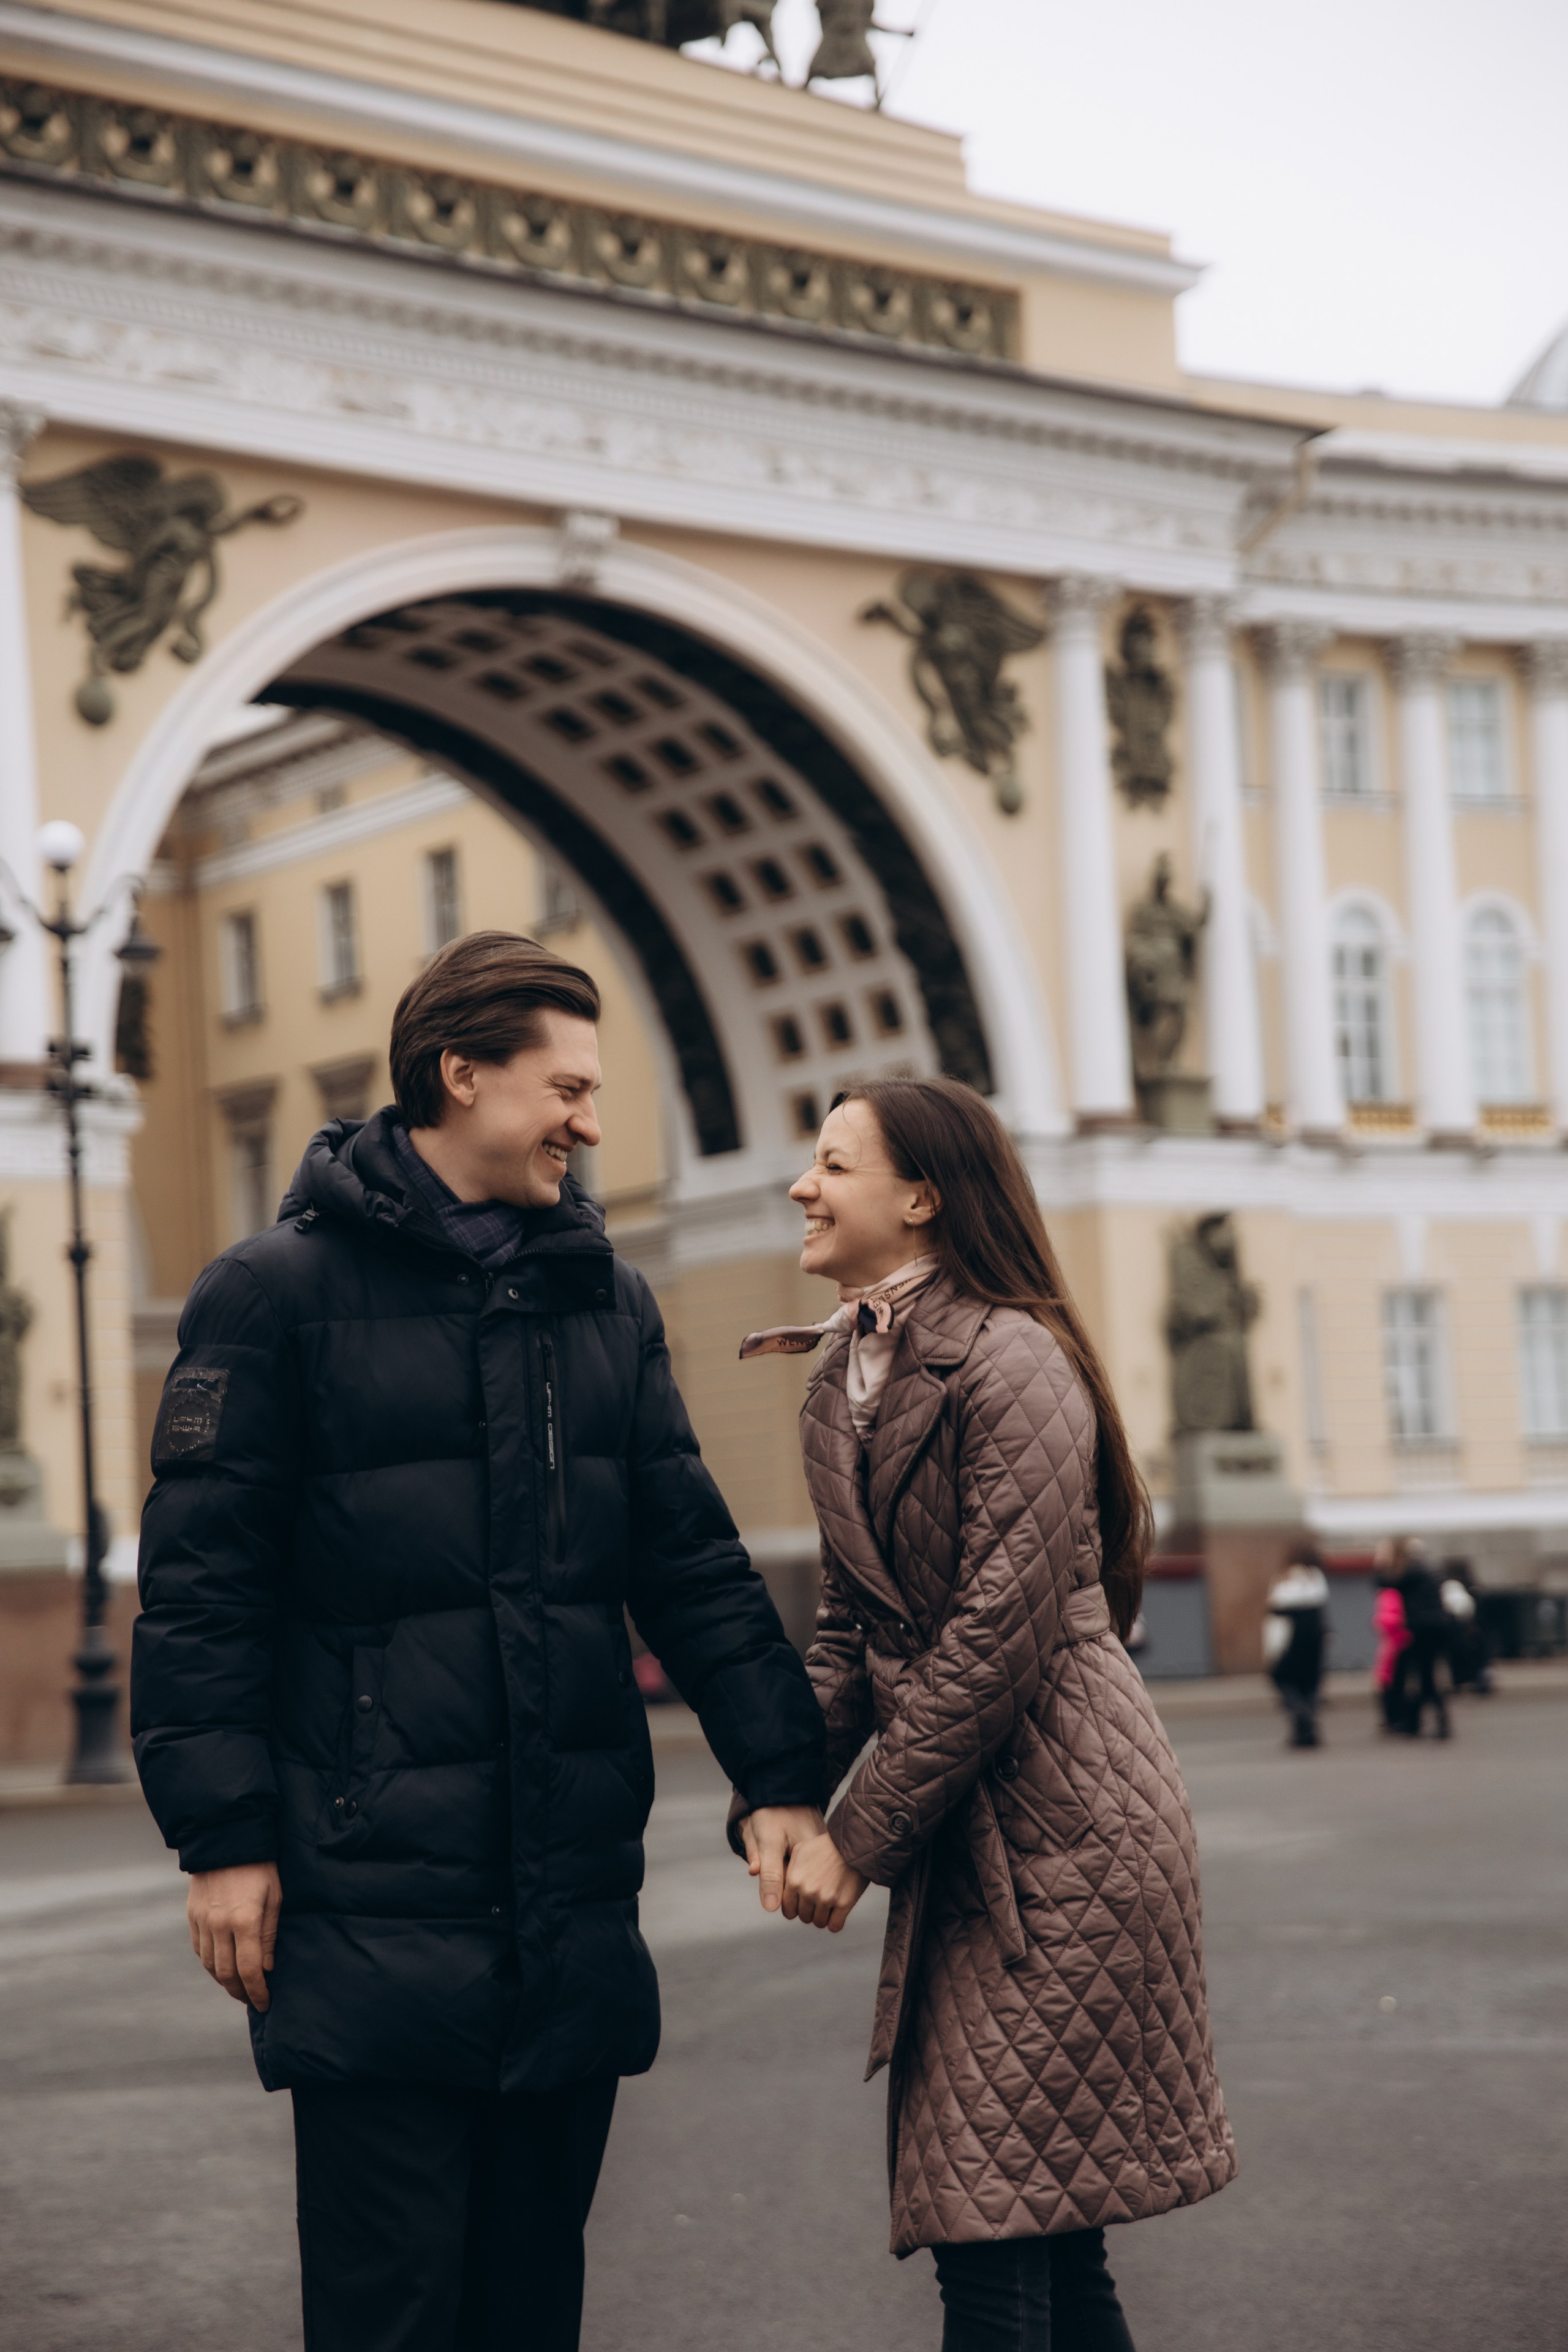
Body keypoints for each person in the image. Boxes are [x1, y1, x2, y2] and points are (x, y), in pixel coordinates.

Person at [131, 930, 827, 2352]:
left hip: (565, 1902)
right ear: (461, 1075)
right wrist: (222, 1837)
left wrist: (781, 1776)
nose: (590, 1121)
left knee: (527, 2309)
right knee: (392, 2315)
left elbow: (688, 1562)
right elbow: (202, 1593)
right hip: (367, 1891)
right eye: (567, 1087)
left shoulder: (605, 1298)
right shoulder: (269, 1296)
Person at [737, 1077, 1236, 2352]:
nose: (801, 1185)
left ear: (920, 1199)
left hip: (1073, 1834)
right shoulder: (840, 1375)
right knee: (1039, 2224)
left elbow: (993, 1643)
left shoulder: (1011, 1359)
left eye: (832, 1165)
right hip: (974, 1824)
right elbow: (849, 1631)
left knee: (989, 2224)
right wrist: (774, 1792)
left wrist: (857, 1839)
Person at [1263, 1542, 1330, 1747]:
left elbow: (1276, 1617)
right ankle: (1308, 1730)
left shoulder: (1284, 1580)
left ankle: (1302, 1720)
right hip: (1314, 1639)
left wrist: (1271, 1649)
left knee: (1283, 1679)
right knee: (1309, 1684)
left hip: (1291, 1640)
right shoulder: (1317, 1579)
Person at [1393, 1537, 1452, 1738]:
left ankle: (1416, 1723)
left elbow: (1385, 1581)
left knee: (1419, 1676)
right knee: (1427, 1674)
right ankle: (1427, 1721)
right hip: (1437, 1627)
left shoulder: (1411, 1571)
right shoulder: (1433, 1569)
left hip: (1420, 1628)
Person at [1371, 1555, 1409, 1735]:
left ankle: (1394, 1719)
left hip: (1395, 1643)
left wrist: (1378, 1621)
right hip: (1396, 1642)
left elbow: (1390, 1619)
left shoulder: (1389, 1593)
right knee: (1394, 1682)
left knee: (1391, 1683)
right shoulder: (1398, 1591)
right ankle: (1396, 1719)